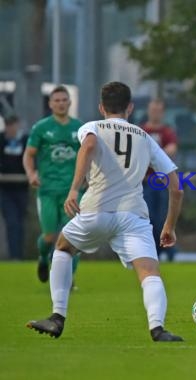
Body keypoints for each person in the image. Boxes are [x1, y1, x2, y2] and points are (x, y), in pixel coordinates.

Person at [26, 81, 184, 342]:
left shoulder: (92, 127)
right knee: (149, 271)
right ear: (130, 107)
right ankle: (158, 329)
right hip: (134, 216)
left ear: (101, 107)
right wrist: (169, 225)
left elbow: (88, 147)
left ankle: (57, 317)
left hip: (96, 210)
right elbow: (176, 187)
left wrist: (74, 189)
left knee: (63, 247)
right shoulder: (145, 137)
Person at [23, 85, 83, 283]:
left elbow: (89, 155)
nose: (60, 103)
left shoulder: (79, 128)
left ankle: (69, 277)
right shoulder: (41, 128)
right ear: (50, 104)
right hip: (47, 190)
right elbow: (29, 155)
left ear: (69, 102)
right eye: (56, 100)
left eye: (64, 100)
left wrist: (89, 176)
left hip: (72, 192)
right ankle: (43, 257)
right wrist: (31, 173)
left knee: (72, 237)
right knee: (49, 237)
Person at [141, 99, 178, 262]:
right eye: (152, 110)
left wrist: (151, 156)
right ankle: (155, 250)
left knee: (163, 217)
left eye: (158, 110)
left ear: (162, 112)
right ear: (148, 111)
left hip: (162, 182)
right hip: (145, 181)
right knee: (149, 218)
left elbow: (172, 149)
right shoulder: (140, 131)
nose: (155, 113)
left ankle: (169, 251)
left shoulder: (167, 132)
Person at [0, 115, 29, 260]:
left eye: (13, 125)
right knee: (11, 222)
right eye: (8, 125)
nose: (10, 128)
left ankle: (19, 255)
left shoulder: (25, 140)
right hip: (5, 189)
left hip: (22, 188)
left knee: (20, 224)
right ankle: (14, 256)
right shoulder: (1, 140)